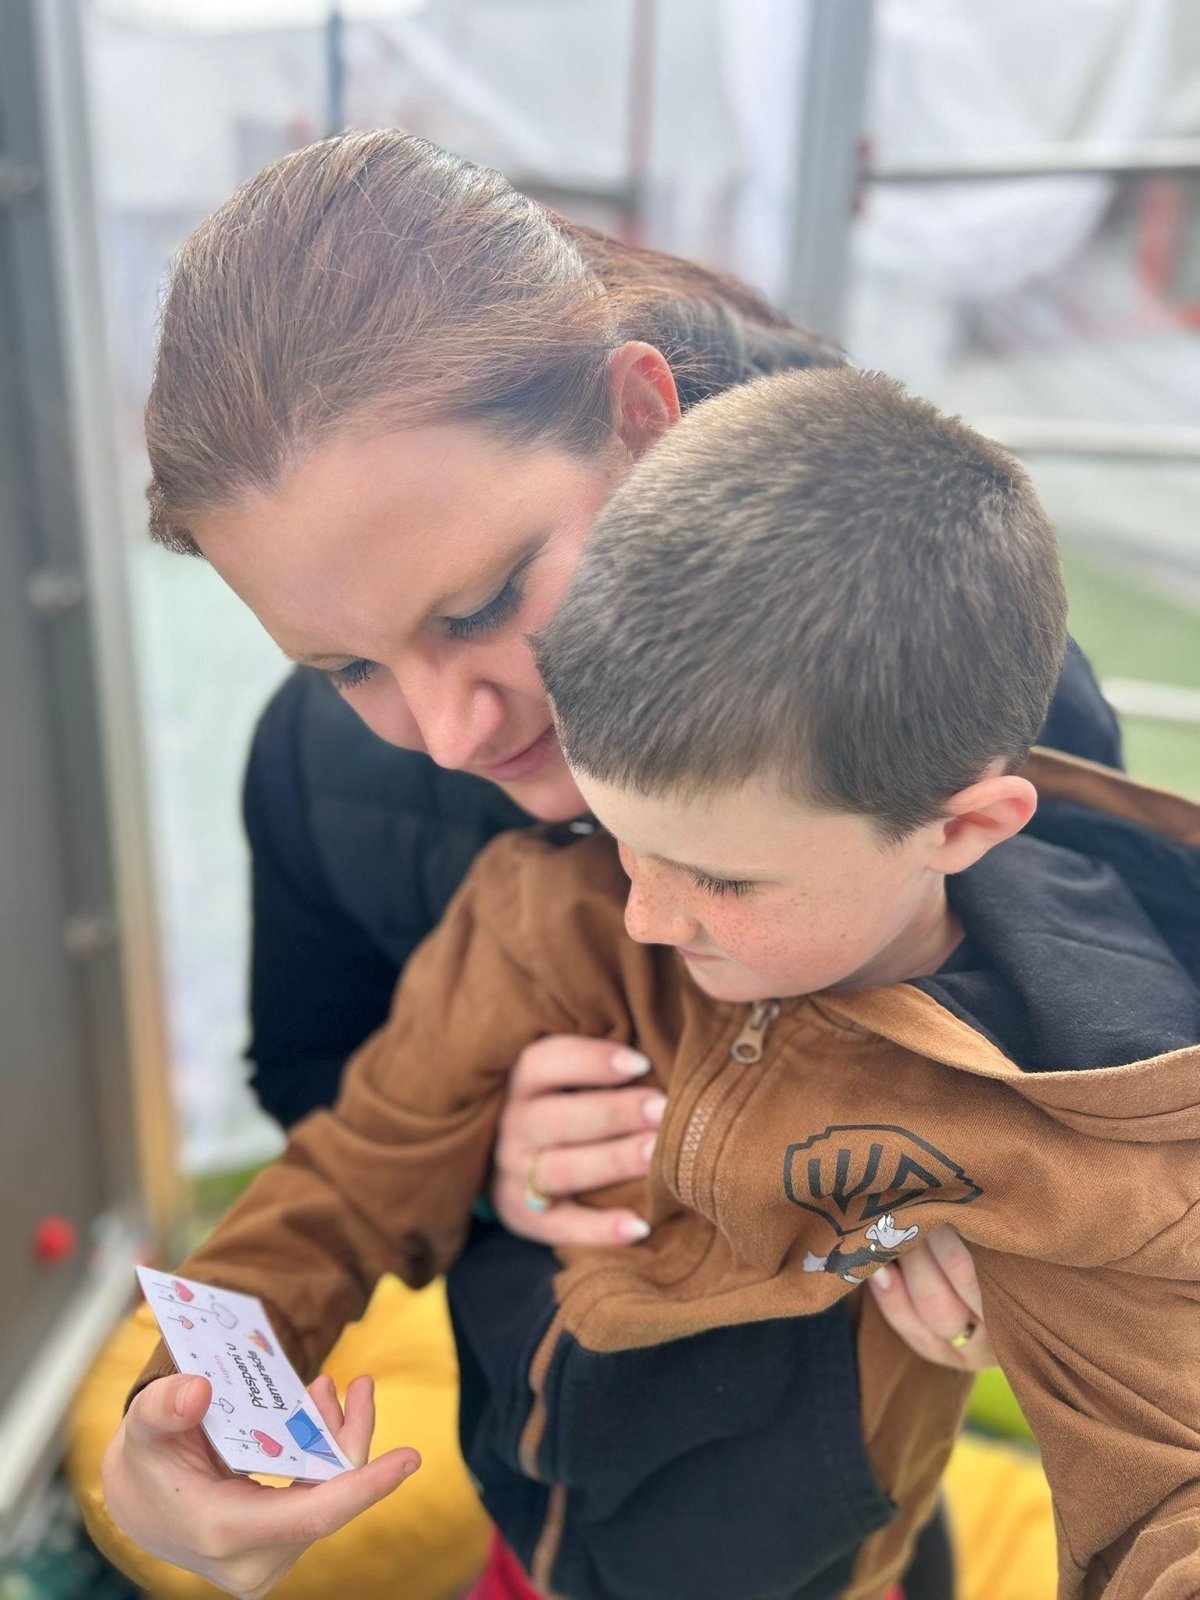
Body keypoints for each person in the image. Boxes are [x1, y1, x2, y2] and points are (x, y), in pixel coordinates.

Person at [84, 129, 1127, 1599]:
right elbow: (330, 1106)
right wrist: (485, 1163)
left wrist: (1003, 1271)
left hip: (835, 1515)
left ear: (642, 416)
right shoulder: (323, 775)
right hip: (548, 1472)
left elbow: (1115, 1083)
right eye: (344, 666)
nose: (450, 734)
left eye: (483, 604)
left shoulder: (947, 678)